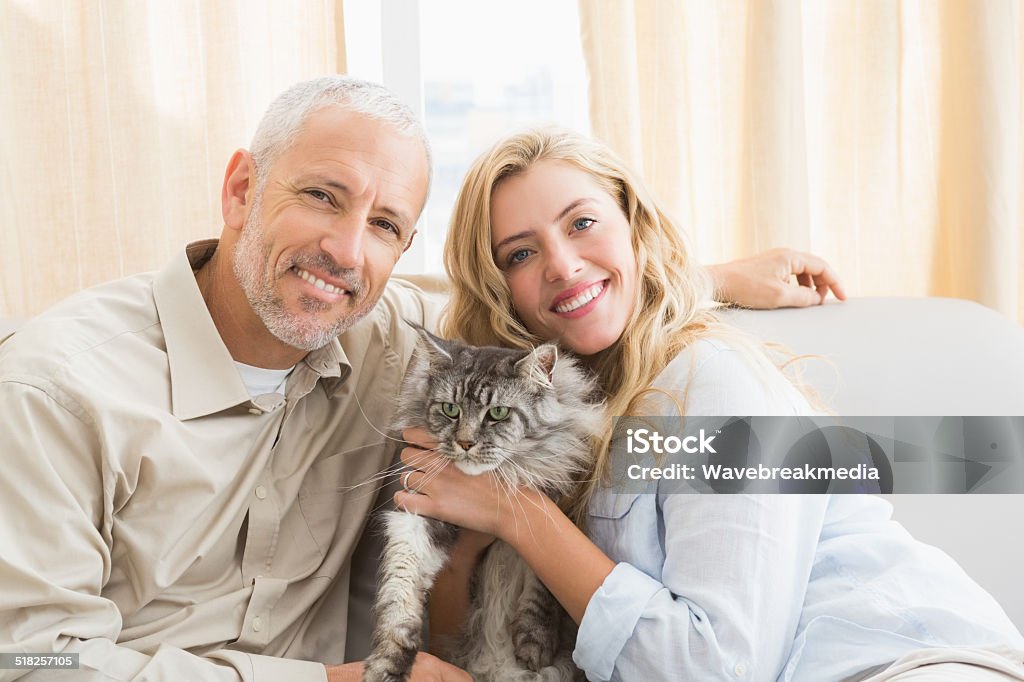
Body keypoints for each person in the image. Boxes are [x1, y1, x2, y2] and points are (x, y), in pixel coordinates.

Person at [0, 76, 844, 682]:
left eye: (386, 226)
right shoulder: (53, 390)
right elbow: (26, 658)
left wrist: (703, 277)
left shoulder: (385, 336)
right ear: (241, 188)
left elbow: (540, 300)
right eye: (323, 197)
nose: (346, 251)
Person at [394, 128, 1024, 681]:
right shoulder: (554, 415)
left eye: (582, 223)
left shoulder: (712, 385)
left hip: (902, 664)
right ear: (498, 287)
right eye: (521, 254)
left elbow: (719, 668)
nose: (561, 264)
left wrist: (518, 515)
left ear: (634, 227)